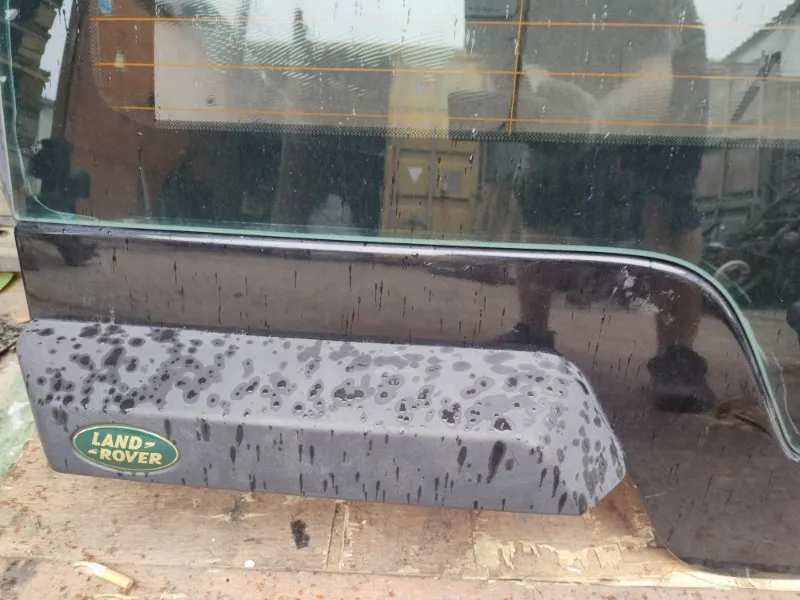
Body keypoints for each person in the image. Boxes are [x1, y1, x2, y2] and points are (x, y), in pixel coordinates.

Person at [493, 0, 714, 412]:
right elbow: (511, 65)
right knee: (543, 185)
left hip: (669, 74)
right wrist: (539, 97)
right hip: (574, 66)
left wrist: (590, 126)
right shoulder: (520, 10)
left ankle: (677, 356)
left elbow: (654, 87)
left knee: (667, 195)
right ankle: (532, 332)